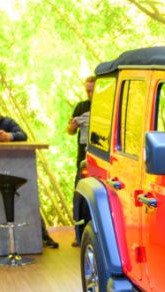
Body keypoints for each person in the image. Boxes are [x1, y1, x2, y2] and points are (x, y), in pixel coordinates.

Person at [0, 96, 58, 248]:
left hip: (13, 170)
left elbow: (23, 135)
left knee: (29, 199)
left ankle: (41, 237)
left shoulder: (7, 122)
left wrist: (9, 136)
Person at [66, 75, 95, 246]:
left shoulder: (110, 106)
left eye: (92, 90)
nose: (90, 94)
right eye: (88, 91)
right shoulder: (81, 107)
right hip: (83, 159)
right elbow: (69, 131)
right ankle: (80, 234)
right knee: (81, 196)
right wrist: (72, 126)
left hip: (103, 160)